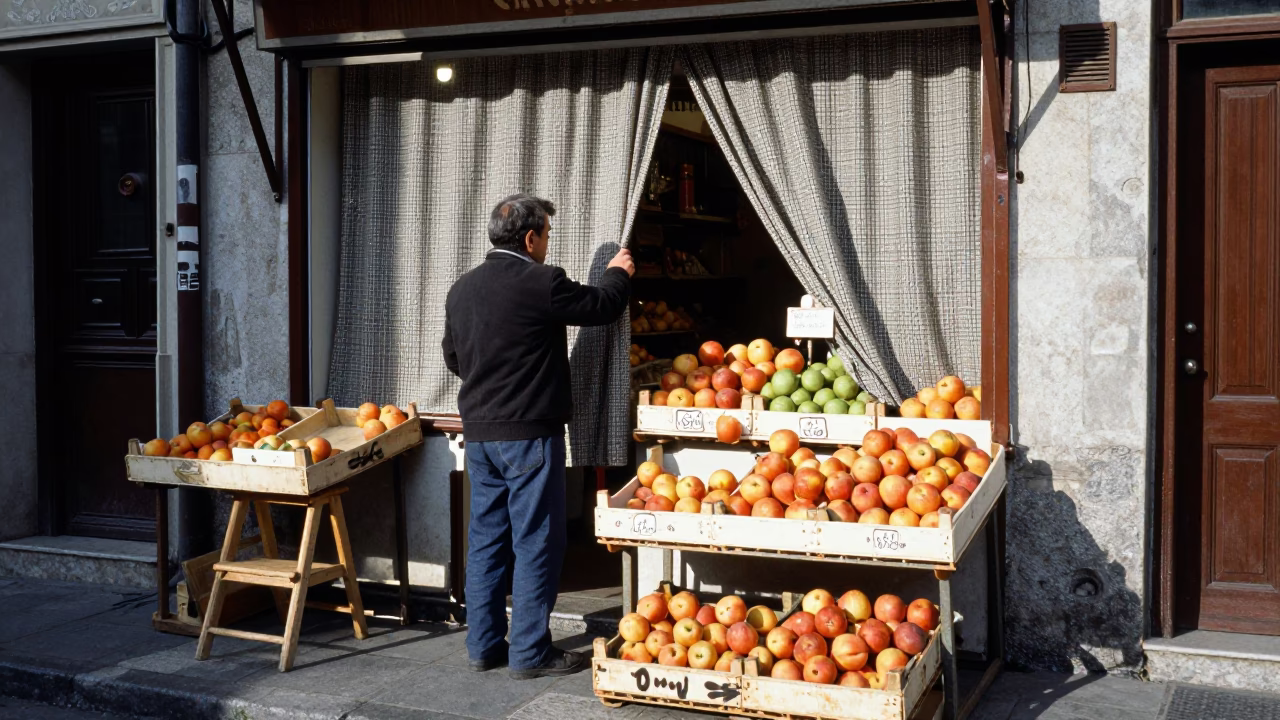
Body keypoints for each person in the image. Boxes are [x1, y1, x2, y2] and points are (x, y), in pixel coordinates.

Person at [442, 193, 634, 679]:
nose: (548, 243)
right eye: (547, 234)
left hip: (480, 436)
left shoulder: (461, 289)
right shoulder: (541, 281)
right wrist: (618, 273)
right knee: (536, 541)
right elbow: (602, 306)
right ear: (530, 239)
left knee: (486, 540)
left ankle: (484, 645)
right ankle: (530, 653)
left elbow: (453, 358)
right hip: (528, 434)